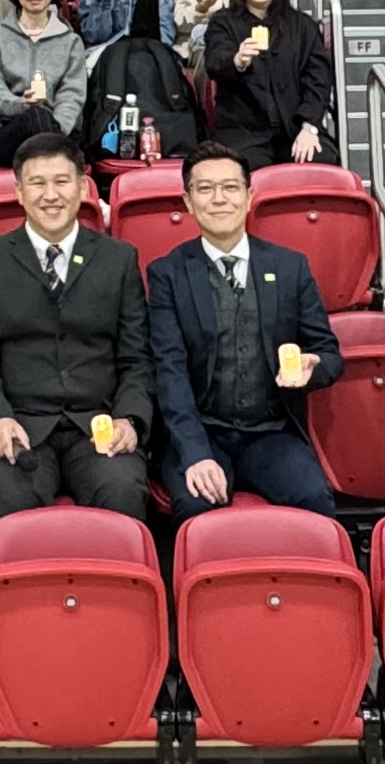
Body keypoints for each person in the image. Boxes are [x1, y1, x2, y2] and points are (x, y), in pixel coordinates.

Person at [0, 133, 151, 521]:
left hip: (98, 425)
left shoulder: (119, 259)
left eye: (61, 182)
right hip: (18, 423)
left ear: (82, 188)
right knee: (14, 501)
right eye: (37, 183)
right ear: (18, 192)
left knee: (123, 493)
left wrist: (129, 419)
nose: (50, 195)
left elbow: (137, 359)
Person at [146, 145, 343, 515]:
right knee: (196, 502)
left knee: (313, 497)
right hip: (201, 430)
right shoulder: (166, 274)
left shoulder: (291, 267)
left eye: (230, 187)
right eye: (205, 189)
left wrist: (314, 368)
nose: (219, 199)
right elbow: (169, 371)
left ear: (249, 196)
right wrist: (195, 453)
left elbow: (329, 353)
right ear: (188, 202)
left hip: (272, 431)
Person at [201, 0, 334, 168]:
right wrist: (237, 61)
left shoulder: (303, 25)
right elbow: (215, 62)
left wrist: (309, 127)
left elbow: (318, 81)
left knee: (319, 160)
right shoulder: (222, 22)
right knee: (242, 166)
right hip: (242, 133)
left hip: (295, 128)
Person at [0, 0, 91, 165]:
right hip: (7, 132)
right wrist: (21, 104)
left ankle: (49, 146)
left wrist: (54, 128)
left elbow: (72, 95)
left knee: (41, 117)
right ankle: (55, 159)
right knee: (35, 115)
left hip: (59, 130)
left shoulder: (70, 41)